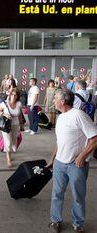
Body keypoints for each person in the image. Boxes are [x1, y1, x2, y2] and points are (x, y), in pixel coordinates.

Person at [47, 89, 97, 233]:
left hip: (76, 165)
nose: (53, 101)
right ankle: (55, 221)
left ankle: (78, 224)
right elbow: (60, 141)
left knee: (78, 196)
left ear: (62, 101)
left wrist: (82, 155)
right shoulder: (61, 117)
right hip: (59, 163)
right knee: (56, 194)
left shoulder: (79, 116)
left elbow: (94, 138)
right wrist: (52, 159)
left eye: (55, 98)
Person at [0, 88, 24, 167]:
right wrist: (5, 114)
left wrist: (21, 124)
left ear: (17, 96)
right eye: (12, 94)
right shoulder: (4, 103)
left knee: (13, 141)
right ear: (9, 95)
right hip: (6, 125)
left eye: (15, 95)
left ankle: (9, 152)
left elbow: (19, 114)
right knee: (8, 142)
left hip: (16, 124)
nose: (13, 96)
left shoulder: (19, 104)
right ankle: (8, 159)